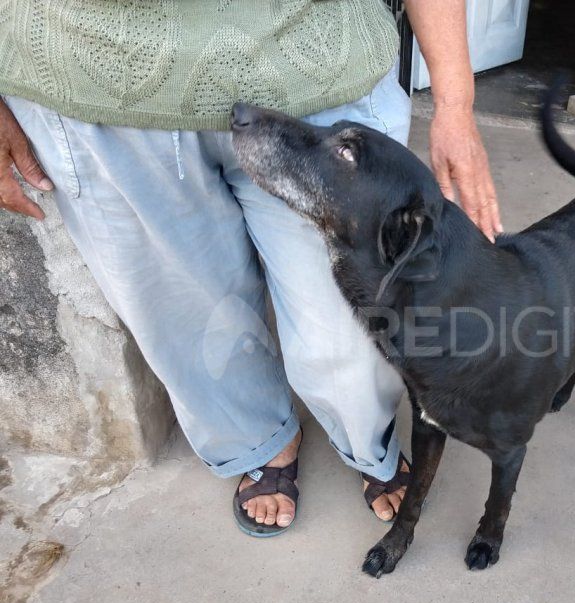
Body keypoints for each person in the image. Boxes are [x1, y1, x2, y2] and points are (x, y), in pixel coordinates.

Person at [0, 1, 500, 534]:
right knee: (188, 313)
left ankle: (367, 437)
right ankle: (260, 441)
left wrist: (455, 101)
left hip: (313, 63)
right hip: (93, 78)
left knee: (351, 322)